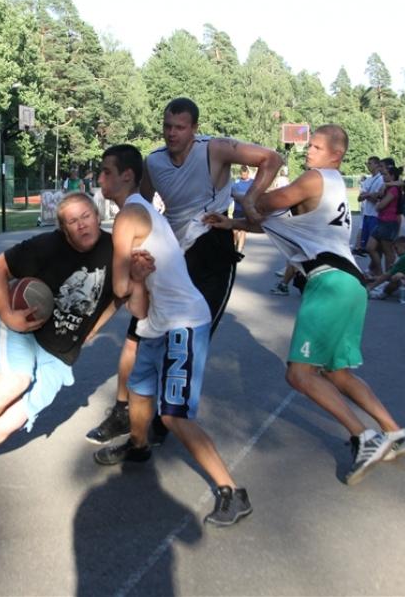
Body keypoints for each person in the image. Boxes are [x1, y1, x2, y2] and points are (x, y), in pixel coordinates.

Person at [210, 125, 405, 484]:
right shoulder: (331, 188)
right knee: (337, 373)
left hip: (329, 283)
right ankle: (394, 431)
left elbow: (261, 205)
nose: (309, 152)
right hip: (350, 284)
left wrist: (253, 182)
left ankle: (363, 436)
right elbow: (277, 224)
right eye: (310, 146)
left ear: (336, 155)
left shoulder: (315, 178)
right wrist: (232, 222)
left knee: (299, 373)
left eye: (317, 147)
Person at [85, 97, 282, 446]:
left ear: (194, 129)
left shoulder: (215, 150)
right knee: (139, 331)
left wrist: (249, 202)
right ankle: (122, 410)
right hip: (171, 254)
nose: (172, 133)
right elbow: (141, 204)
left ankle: (168, 415)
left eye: (180, 127)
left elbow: (272, 158)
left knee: (188, 340)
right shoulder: (155, 161)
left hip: (211, 248)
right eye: (167, 126)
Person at [0, 193, 124, 500]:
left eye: (86, 216)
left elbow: (119, 295)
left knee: (16, 418)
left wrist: (93, 329)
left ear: (97, 215)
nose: (82, 225)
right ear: (64, 228)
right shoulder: (47, 246)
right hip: (23, 332)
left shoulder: (114, 251)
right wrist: (8, 315)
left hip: (61, 353)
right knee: (16, 380)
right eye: (73, 221)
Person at [93, 144, 252, 526]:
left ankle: (232, 492)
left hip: (182, 320)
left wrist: (132, 281)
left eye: (106, 172)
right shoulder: (142, 210)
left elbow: (119, 287)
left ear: (127, 176)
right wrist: (138, 283)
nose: (100, 179)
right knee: (140, 390)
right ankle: (138, 446)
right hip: (158, 320)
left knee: (175, 414)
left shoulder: (130, 215)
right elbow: (136, 302)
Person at [365, 164, 401, 278]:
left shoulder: (394, 189)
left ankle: (388, 277)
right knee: (370, 248)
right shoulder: (386, 187)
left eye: (385, 174)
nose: (383, 177)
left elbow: (381, 205)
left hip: (389, 223)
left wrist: (379, 202)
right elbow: (378, 200)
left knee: (388, 252)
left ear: (392, 176)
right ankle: (380, 273)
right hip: (381, 221)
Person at [356, 156, 384, 255]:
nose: (368, 166)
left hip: (375, 215)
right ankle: (373, 267)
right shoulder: (367, 180)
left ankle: (376, 268)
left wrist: (367, 195)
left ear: (377, 165)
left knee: (374, 246)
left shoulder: (381, 179)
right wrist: (368, 195)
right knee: (366, 247)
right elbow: (359, 198)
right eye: (367, 163)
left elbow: (378, 198)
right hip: (367, 214)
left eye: (370, 163)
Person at [230, 165, 253, 254]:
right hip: (237, 209)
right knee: (235, 231)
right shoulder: (236, 183)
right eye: (243, 174)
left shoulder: (252, 183)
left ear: (248, 173)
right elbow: (231, 193)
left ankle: (239, 249)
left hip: (247, 210)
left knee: (243, 230)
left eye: (245, 174)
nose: (244, 176)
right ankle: (234, 243)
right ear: (240, 174)